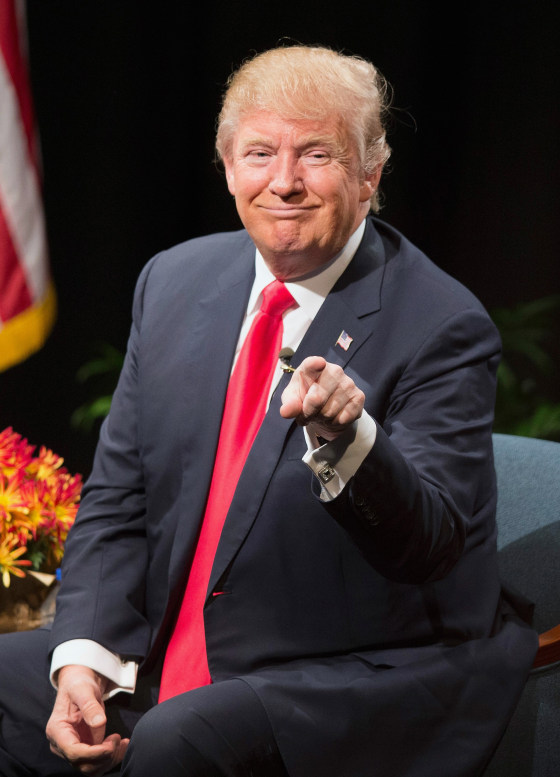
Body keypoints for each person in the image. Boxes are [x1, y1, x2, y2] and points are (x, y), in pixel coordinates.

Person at [0, 45, 537, 777]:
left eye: (316, 154)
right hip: (174, 636)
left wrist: (347, 440)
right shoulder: (173, 280)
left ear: (370, 175)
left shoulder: (443, 323)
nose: (284, 181)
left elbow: (429, 545)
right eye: (259, 153)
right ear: (227, 167)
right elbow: (120, 497)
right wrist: (82, 662)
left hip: (345, 662)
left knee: (177, 739)